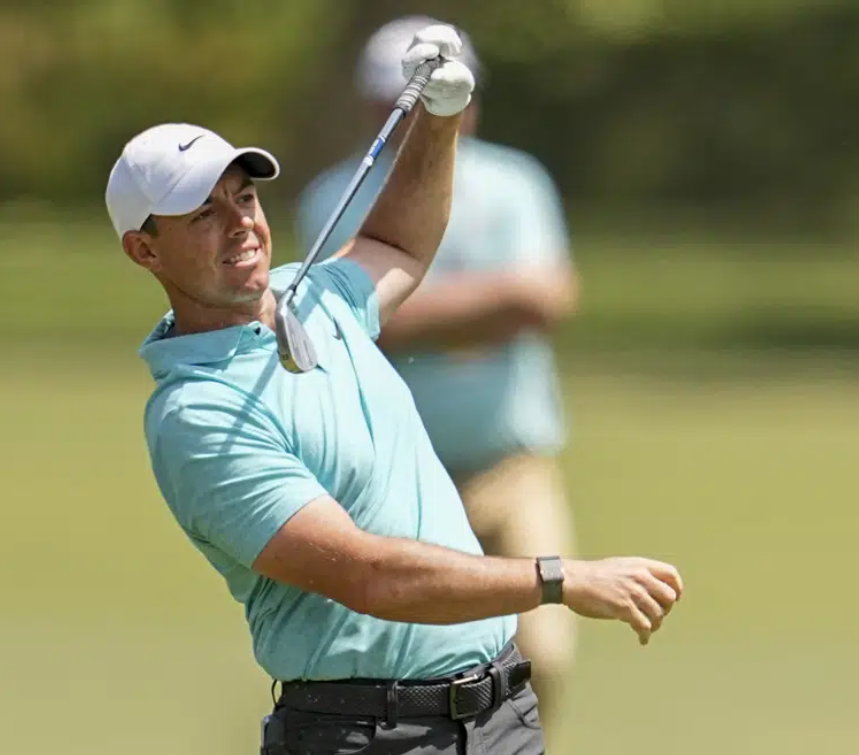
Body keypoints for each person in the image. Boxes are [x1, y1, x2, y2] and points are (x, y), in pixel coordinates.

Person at [106, 23, 684, 755]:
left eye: (243, 197)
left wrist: (437, 120)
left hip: (498, 718)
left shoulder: (308, 296)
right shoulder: (198, 416)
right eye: (204, 214)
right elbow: (370, 576)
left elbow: (400, 244)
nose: (241, 224)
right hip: (368, 734)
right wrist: (559, 579)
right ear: (145, 248)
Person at [296, 16, 581, 736]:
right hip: (386, 477)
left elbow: (542, 299)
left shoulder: (515, 181)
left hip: (506, 466)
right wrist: (483, 309)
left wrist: (397, 311)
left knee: (542, 651)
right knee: (396, 670)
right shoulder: (332, 197)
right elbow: (330, 331)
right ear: (371, 107)